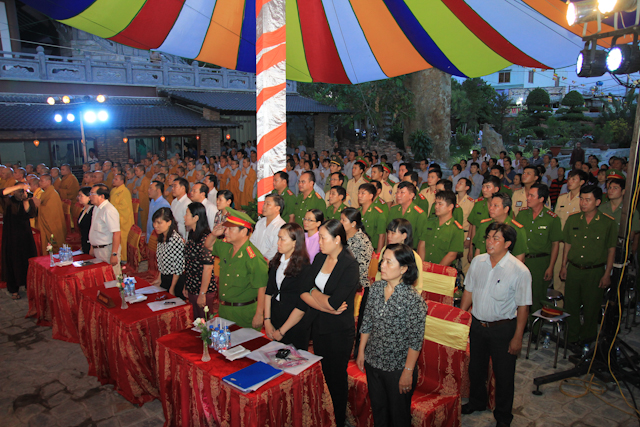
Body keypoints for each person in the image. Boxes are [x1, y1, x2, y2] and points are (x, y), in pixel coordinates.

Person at [461, 222, 531, 426]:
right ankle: (477, 401)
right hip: (478, 326)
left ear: (508, 243)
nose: (489, 242)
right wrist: (461, 318)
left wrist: (517, 337)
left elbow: (523, 307)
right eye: (488, 237)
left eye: (496, 238)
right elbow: (468, 291)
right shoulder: (478, 261)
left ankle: (503, 416)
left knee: (503, 375)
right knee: (476, 369)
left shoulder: (519, 271)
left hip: (503, 329)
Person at [356, 244, 427, 426]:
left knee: (398, 416)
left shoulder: (413, 300)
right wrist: (361, 351)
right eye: (382, 261)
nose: (382, 266)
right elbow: (367, 322)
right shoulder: (376, 288)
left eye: (389, 262)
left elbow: (415, 341)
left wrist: (407, 372)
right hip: (373, 361)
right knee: (379, 412)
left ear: (403, 269)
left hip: (397, 367)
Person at [300, 219, 359, 427]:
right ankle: (324, 417)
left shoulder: (349, 265)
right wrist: (324, 304)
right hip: (319, 325)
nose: (319, 242)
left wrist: (315, 294)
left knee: (336, 378)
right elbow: (303, 289)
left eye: (323, 238)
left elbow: (336, 303)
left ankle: (339, 420)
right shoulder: (319, 257)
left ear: (337, 239)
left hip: (338, 331)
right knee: (323, 374)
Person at [560, 185, 616, 345]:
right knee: (571, 305)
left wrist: (607, 274)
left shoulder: (607, 223)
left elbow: (611, 250)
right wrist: (563, 265)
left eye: (588, 200)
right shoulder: (573, 219)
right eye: (582, 199)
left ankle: (587, 339)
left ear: (598, 202)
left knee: (591, 307)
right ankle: (571, 337)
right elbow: (567, 245)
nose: (583, 203)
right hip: (574, 269)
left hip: (594, 271)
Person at [208, 208, 269, 329]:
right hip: (224, 310)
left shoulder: (253, 257)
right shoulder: (226, 247)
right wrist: (213, 234)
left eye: (230, 229)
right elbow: (208, 245)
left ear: (244, 231)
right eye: (226, 228)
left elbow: (262, 287)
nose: (226, 231)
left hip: (243, 313)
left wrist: (259, 314)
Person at [515, 184, 562, 330]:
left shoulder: (552, 218)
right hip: (522, 260)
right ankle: (521, 327)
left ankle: (535, 330)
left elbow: (555, 244)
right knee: (519, 295)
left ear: (541, 199)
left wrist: (550, 266)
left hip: (540, 262)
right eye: (528, 195)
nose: (528, 198)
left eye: (532, 196)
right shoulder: (522, 214)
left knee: (536, 296)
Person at [264, 223, 312, 350]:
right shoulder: (276, 262)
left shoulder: (305, 268)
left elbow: (301, 306)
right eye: (278, 238)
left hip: (295, 324)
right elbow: (269, 292)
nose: (278, 242)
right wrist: (267, 320)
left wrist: (282, 331)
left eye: (282, 239)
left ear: (295, 243)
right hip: (276, 317)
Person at [1, 182, 37, 299]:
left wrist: (25, 200)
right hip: (11, 236)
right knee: (11, 262)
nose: (22, 193)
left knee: (27, 260)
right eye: (20, 191)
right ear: (14, 190)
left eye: (24, 190)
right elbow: (1, 193)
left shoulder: (27, 200)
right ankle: (14, 289)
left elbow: (30, 214)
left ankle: (28, 285)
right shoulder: (8, 200)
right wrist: (20, 186)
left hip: (25, 236)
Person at [553, 170, 587, 294]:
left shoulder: (583, 200)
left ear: (582, 182)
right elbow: (556, 220)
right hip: (561, 242)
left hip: (575, 244)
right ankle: (558, 302)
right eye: (569, 179)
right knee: (557, 274)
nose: (570, 182)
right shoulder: (562, 198)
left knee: (572, 277)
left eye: (574, 179)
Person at [182, 202, 216, 318]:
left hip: (203, 289)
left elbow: (208, 268)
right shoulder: (191, 234)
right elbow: (189, 263)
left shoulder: (206, 239)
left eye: (187, 214)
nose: (184, 217)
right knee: (195, 321)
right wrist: (186, 285)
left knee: (205, 322)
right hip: (192, 286)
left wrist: (202, 293)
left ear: (196, 218)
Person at [473, 193, 528, 262]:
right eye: (491, 205)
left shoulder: (516, 229)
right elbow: (478, 251)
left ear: (506, 209)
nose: (491, 208)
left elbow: (519, 258)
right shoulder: (484, 225)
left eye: (496, 206)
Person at [421, 190, 464, 266]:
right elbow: (422, 245)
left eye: (440, 204)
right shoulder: (429, 223)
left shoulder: (456, 229)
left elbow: (452, 255)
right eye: (436, 203)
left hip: (442, 269)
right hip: (424, 267)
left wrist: (437, 269)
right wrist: (421, 265)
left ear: (450, 207)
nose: (436, 206)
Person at [88, 184, 122, 277]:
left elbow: (116, 233)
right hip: (98, 249)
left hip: (107, 250)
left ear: (101, 196)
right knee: (101, 278)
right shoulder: (96, 208)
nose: (90, 196)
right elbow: (94, 230)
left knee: (113, 278)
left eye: (92, 194)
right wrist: (92, 247)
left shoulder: (109, 210)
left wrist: (114, 254)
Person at [151, 208, 186, 297]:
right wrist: (159, 278)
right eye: (154, 222)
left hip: (175, 280)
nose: (155, 226)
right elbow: (161, 261)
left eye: (159, 223)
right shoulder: (161, 237)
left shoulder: (175, 240)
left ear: (169, 222)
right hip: (164, 277)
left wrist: (172, 287)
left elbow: (178, 268)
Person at [387, 182, 427, 252]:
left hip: (410, 251)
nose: (398, 195)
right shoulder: (393, 210)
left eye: (402, 192)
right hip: (393, 249)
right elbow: (388, 231)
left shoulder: (419, 214)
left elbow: (422, 240)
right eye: (397, 192)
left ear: (411, 195)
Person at [341, 208, 374, 289]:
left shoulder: (363, 242)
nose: (340, 222)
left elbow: (361, 270)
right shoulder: (341, 236)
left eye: (343, 220)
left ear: (353, 224)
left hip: (355, 283)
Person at [34, 174, 66, 254]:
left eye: (41, 181)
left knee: (55, 242)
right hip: (47, 222)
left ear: (48, 182)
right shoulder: (45, 193)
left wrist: (38, 206)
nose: (39, 183)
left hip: (53, 223)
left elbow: (50, 211)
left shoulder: (53, 194)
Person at [250, 194, 286, 261]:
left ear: (277, 208)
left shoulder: (281, 226)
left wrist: (262, 260)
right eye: (264, 204)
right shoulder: (260, 222)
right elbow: (252, 241)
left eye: (268, 204)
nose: (264, 206)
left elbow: (275, 248)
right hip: (254, 259)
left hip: (268, 262)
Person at [110, 174, 135, 263]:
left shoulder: (125, 191)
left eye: (116, 179)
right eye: (114, 178)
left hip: (123, 218)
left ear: (122, 181)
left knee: (123, 238)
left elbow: (125, 207)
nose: (114, 180)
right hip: (114, 217)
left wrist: (113, 207)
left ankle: (124, 258)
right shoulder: (113, 190)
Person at [358, 183, 387, 253]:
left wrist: (378, 255)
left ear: (371, 196)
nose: (359, 196)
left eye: (363, 193)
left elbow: (382, 236)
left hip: (372, 251)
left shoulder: (378, 213)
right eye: (358, 193)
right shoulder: (357, 212)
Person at [132, 164, 151, 231]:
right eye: (135, 171)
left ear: (142, 171)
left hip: (143, 204)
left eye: (137, 170)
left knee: (143, 220)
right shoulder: (137, 180)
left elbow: (147, 194)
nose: (135, 172)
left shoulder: (146, 181)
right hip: (137, 203)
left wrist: (137, 192)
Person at [76, 187, 93, 254]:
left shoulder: (93, 211)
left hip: (91, 244)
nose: (78, 198)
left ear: (89, 197)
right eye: (78, 195)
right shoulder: (83, 210)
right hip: (84, 242)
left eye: (81, 196)